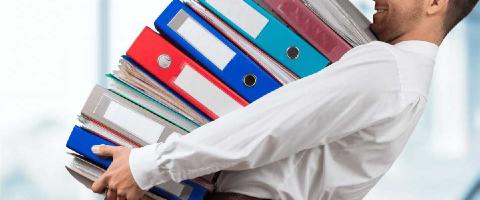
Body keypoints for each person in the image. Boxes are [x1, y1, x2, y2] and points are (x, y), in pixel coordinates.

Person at [90, 0, 479, 199]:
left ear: (434, 2)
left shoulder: (388, 66)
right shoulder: (411, 86)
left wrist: (148, 164)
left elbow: (272, 125)